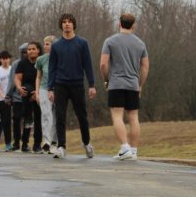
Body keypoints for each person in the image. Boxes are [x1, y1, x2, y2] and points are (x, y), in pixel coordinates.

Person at [100, 13, 149, 160]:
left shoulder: (110, 41)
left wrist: (107, 80)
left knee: (117, 115)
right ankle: (133, 151)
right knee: (134, 117)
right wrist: (140, 84)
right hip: (133, 84)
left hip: (116, 84)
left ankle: (125, 147)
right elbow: (145, 67)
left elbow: (103, 64)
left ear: (119, 24)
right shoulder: (140, 43)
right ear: (133, 25)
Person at [48, 13, 96, 159]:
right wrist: (50, 88)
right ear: (61, 25)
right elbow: (52, 68)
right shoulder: (56, 45)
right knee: (60, 116)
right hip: (60, 85)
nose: (66, 24)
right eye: (64, 22)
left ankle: (87, 143)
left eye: (69, 22)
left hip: (77, 84)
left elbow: (88, 64)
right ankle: (61, 146)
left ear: (73, 24)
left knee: (82, 116)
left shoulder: (82, 43)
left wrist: (92, 84)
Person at [14, 41, 43, 153]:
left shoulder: (42, 61)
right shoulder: (22, 63)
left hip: (40, 91)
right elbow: (17, 78)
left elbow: (45, 78)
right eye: (29, 49)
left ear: (38, 50)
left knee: (38, 117)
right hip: (26, 92)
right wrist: (19, 88)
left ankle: (37, 144)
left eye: (33, 49)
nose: (31, 51)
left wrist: (38, 93)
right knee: (28, 117)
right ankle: (25, 143)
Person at [35, 35, 57, 154]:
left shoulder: (60, 58)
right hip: (44, 89)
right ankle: (46, 142)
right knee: (46, 114)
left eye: (47, 44)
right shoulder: (41, 59)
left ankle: (55, 142)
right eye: (44, 44)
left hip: (58, 89)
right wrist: (37, 92)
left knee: (56, 116)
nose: (44, 46)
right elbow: (38, 77)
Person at [6, 43, 28, 151]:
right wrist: (8, 96)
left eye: (26, 51)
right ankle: (16, 142)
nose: (25, 54)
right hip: (17, 97)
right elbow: (11, 81)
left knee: (28, 120)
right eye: (23, 52)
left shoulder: (34, 63)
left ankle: (25, 143)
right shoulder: (16, 64)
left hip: (29, 97)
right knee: (16, 119)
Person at [0, 50, 12, 151]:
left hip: (13, 98)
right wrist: (4, 97)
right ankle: (7, 143)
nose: (5, 60)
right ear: (0, 59)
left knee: (14, 119)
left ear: (10, 59)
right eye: (3, 58)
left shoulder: (12, 69)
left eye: (7, 58)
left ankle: (16, 142)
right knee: (4, 120)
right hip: (2, 99)